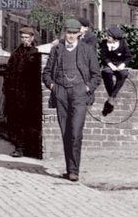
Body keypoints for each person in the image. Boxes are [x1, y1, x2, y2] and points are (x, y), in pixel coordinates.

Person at [42, 18, 101, 182]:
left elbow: (96, 75)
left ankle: (74, 170)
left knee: (76, 132)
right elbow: (46, 72)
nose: (71, 36)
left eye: (74, 33)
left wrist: (87, 88)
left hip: (80, 94)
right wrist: (53, 86)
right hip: (61, 92)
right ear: (65, 32)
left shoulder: (87, 50)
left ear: (79, 34)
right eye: (68, 32)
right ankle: (70, 170)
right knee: (66, 132)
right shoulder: (57, 49)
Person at [3, 27, 42, 158]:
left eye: (27, 37)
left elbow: (37, 75)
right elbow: (8, 72)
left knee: (30, 122)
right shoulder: (15, 53)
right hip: (16, 94)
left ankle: (31, 148)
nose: (25, 40)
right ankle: (19, 148)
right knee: (17, 122)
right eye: (23, 37)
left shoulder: (36, 53)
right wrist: (7, 90)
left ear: (32, 38)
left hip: (30, 95)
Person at [100, 25, 132, 117]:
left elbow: (128, 56)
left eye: (109, 37)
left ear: (115, 39)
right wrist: (111, 65)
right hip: (109, 65)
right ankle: (111, 97)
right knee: (107, 73)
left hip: (120, 65)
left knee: (123, 74)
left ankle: (111, 97)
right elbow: (104, 56)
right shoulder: (104, 43)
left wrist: (122, 65)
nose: (107, 38)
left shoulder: (122, 44)